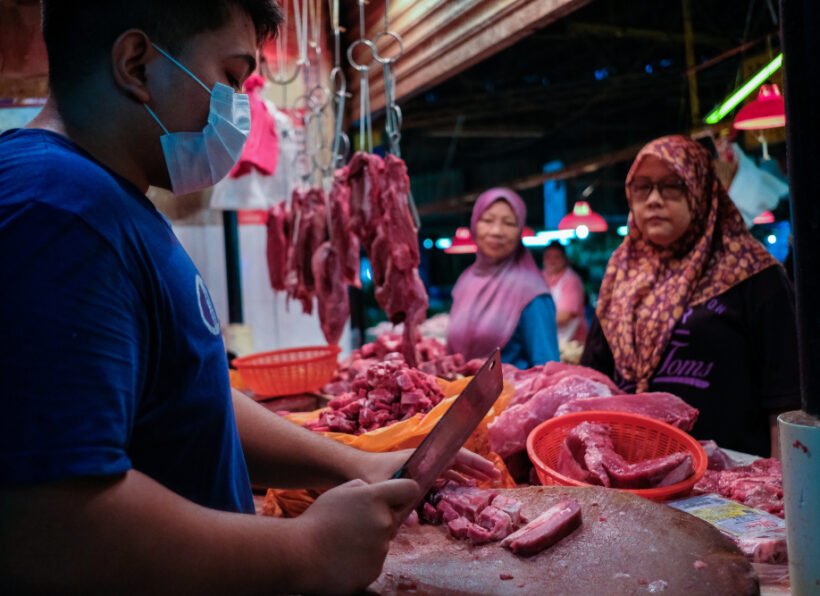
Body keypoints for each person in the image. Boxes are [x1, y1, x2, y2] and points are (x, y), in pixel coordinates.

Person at [0, 2, 497, 593]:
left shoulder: (111, 203)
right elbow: (46, 523)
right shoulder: (54, 210)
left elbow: (190, 394)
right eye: (233, 78)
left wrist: (351, 461)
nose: (240, 109)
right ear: (136, 64)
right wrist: (304, 550)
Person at [581, 135, 800, 458]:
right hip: (634, 473)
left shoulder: (752, 273)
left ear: (700, 189)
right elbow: (593, 381)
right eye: (642, 187)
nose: (654, 199)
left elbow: (785, 400)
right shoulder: (621, 275)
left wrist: (782, 491)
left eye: (671, 185)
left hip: (730, 483)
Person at [447, 188, 560, 368]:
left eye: (509, 223)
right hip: (461, 393)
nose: (497, 231)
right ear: (474, 224)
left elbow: (548, 369)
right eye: (487, 220)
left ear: (520, 229)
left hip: (513, 395)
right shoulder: (465, 280)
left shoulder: (532, 291)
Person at [542, 242, 588, 344]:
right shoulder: (540, 277)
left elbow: (564, 316)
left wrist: (535, 322)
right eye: (548, 257)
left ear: (565, 259)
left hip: (572, 343)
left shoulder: (571, 281)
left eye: (556, 257)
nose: (552, 261)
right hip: (550, 340)